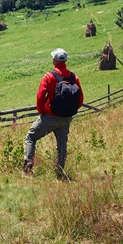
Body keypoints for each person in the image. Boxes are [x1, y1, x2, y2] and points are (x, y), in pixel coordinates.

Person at [23, 48, 84, 178]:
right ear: (65, 61)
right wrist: (69, 111)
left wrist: (42, 111)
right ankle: (59, 172)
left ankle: (28, 169)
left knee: (31, 137)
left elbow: (40, 97)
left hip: (50, 116)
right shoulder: (74, 77)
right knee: (62, 145)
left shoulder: (49, 76)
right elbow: (80, 99)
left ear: (54, 61)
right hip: (66, 118)